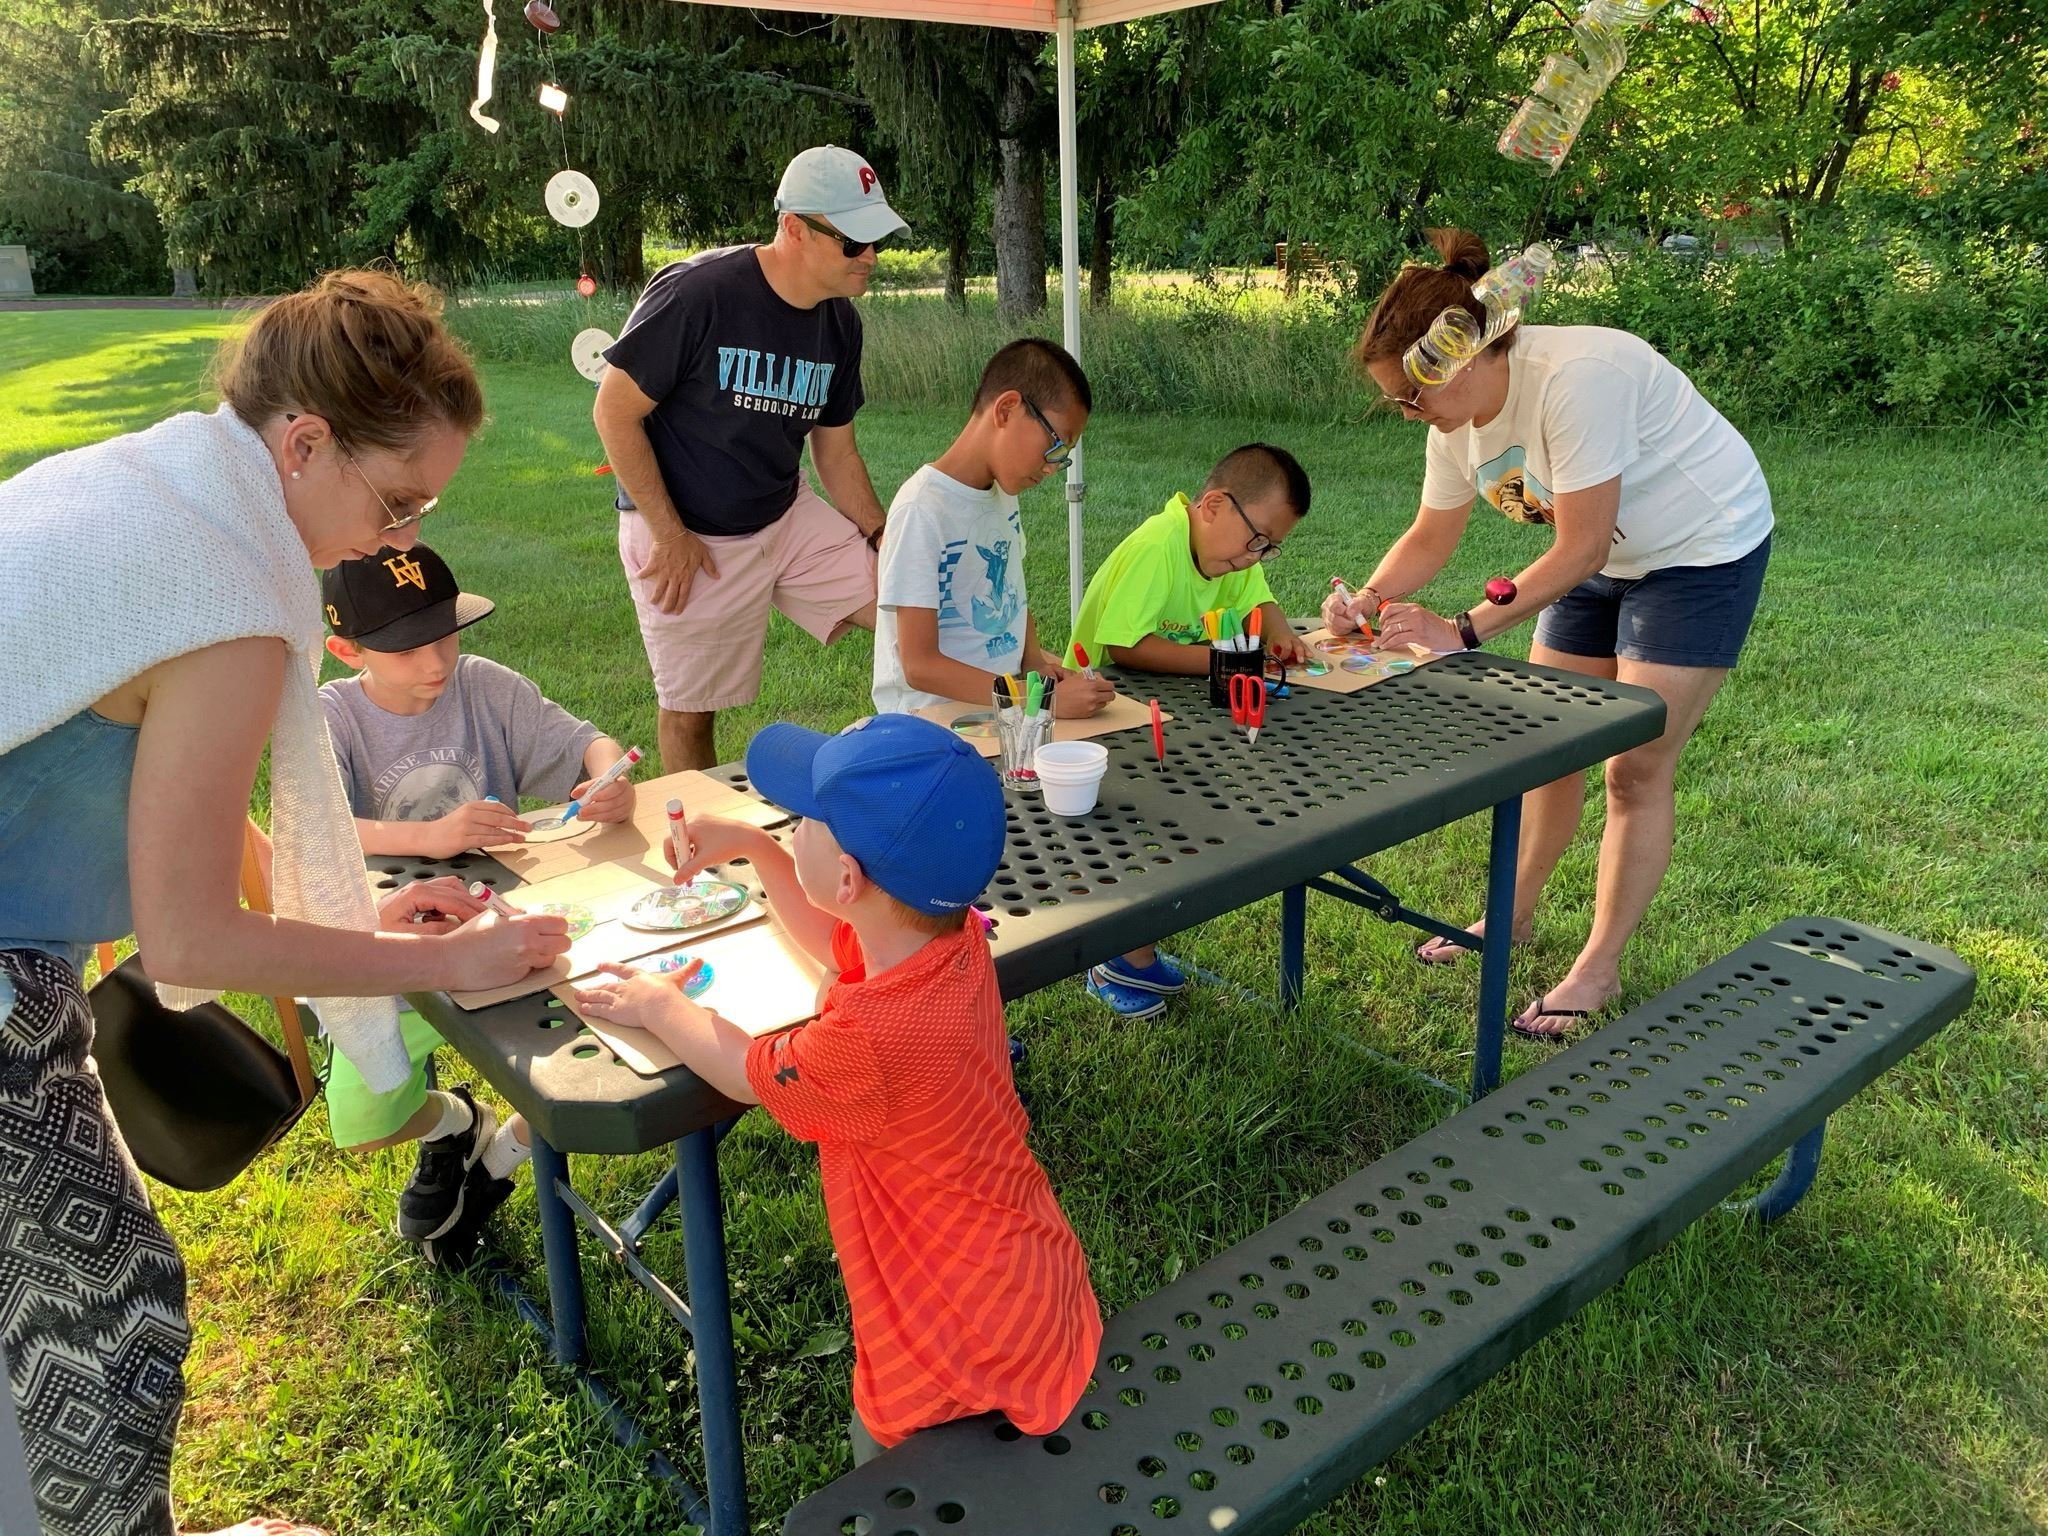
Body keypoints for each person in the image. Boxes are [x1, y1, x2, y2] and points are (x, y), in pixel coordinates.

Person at [0, 269, 570, 1536]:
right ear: (303, 442)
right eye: (398, 499)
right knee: (106, 1311)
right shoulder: (230, 594)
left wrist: (359, 920)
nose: (400, 536)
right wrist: (443, 964)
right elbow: (192, 933)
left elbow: (186, 807)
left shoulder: (153, 480)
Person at [573, 715, 1101, 1463]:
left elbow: (746, 1073)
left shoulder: (865, 1042)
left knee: (884, 1462)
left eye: (802, 823)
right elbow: (835, 941)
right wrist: (757, 848)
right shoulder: (950, 940)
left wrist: (661, 1005)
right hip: (1024, 1273)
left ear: (849, 878)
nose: (792, 829)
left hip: (958, 1323)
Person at [1330, 228, 1772, 1040]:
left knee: (1634, 768)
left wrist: (1462, 629)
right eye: (1399, 398)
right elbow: (1431, 537)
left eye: (1413, 393)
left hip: (1700, 549)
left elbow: (1581, 546)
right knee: (1547, 740)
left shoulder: (1575, 379)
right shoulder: (1450, 429)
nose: (1407, 412)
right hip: (1601, 549)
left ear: (1464, 355)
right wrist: (1364, 600)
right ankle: (1515, 913)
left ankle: (1597, 967)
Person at [317, 541, 636, 1264]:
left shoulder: (483, 685)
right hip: (399, 952)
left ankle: (498, 1163)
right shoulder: (329, 718)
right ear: (345, 649)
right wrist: (427, 837)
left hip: (515, 933)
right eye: (405, 649)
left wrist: (606, 777)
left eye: (445, 633)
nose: (435, 661)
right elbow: (313, 833)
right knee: (365, 1120)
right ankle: (454, 1123)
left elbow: (586, 742)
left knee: (585, 1067)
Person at [594, 144, 905, 773]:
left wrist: (884, 536)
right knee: (692, 709)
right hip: (689, 534)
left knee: (909, 606)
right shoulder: (700, 292)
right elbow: (613, 412)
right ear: (794, 228)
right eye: (855, 241)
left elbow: (836, 452)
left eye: (879, 240)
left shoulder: (841, 323)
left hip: (783, 513)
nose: (871, 257)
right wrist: (669, 533)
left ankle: (935, 765)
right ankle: (700, 857)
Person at [1066, 444, 1314, 1017]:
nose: (1258, 558)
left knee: (1184, 824)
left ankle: (1131, 948)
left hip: (1171, 709)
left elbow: (1261, 601)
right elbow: (1126, 646)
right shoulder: (1161, 545)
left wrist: (1279, 637)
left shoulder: (1228, 556)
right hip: (1108, 714)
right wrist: (1226, 661)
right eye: (1257, 541)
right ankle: (1117, 955)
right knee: (1131, 837)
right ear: (1213, 506)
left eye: (1272, 548)